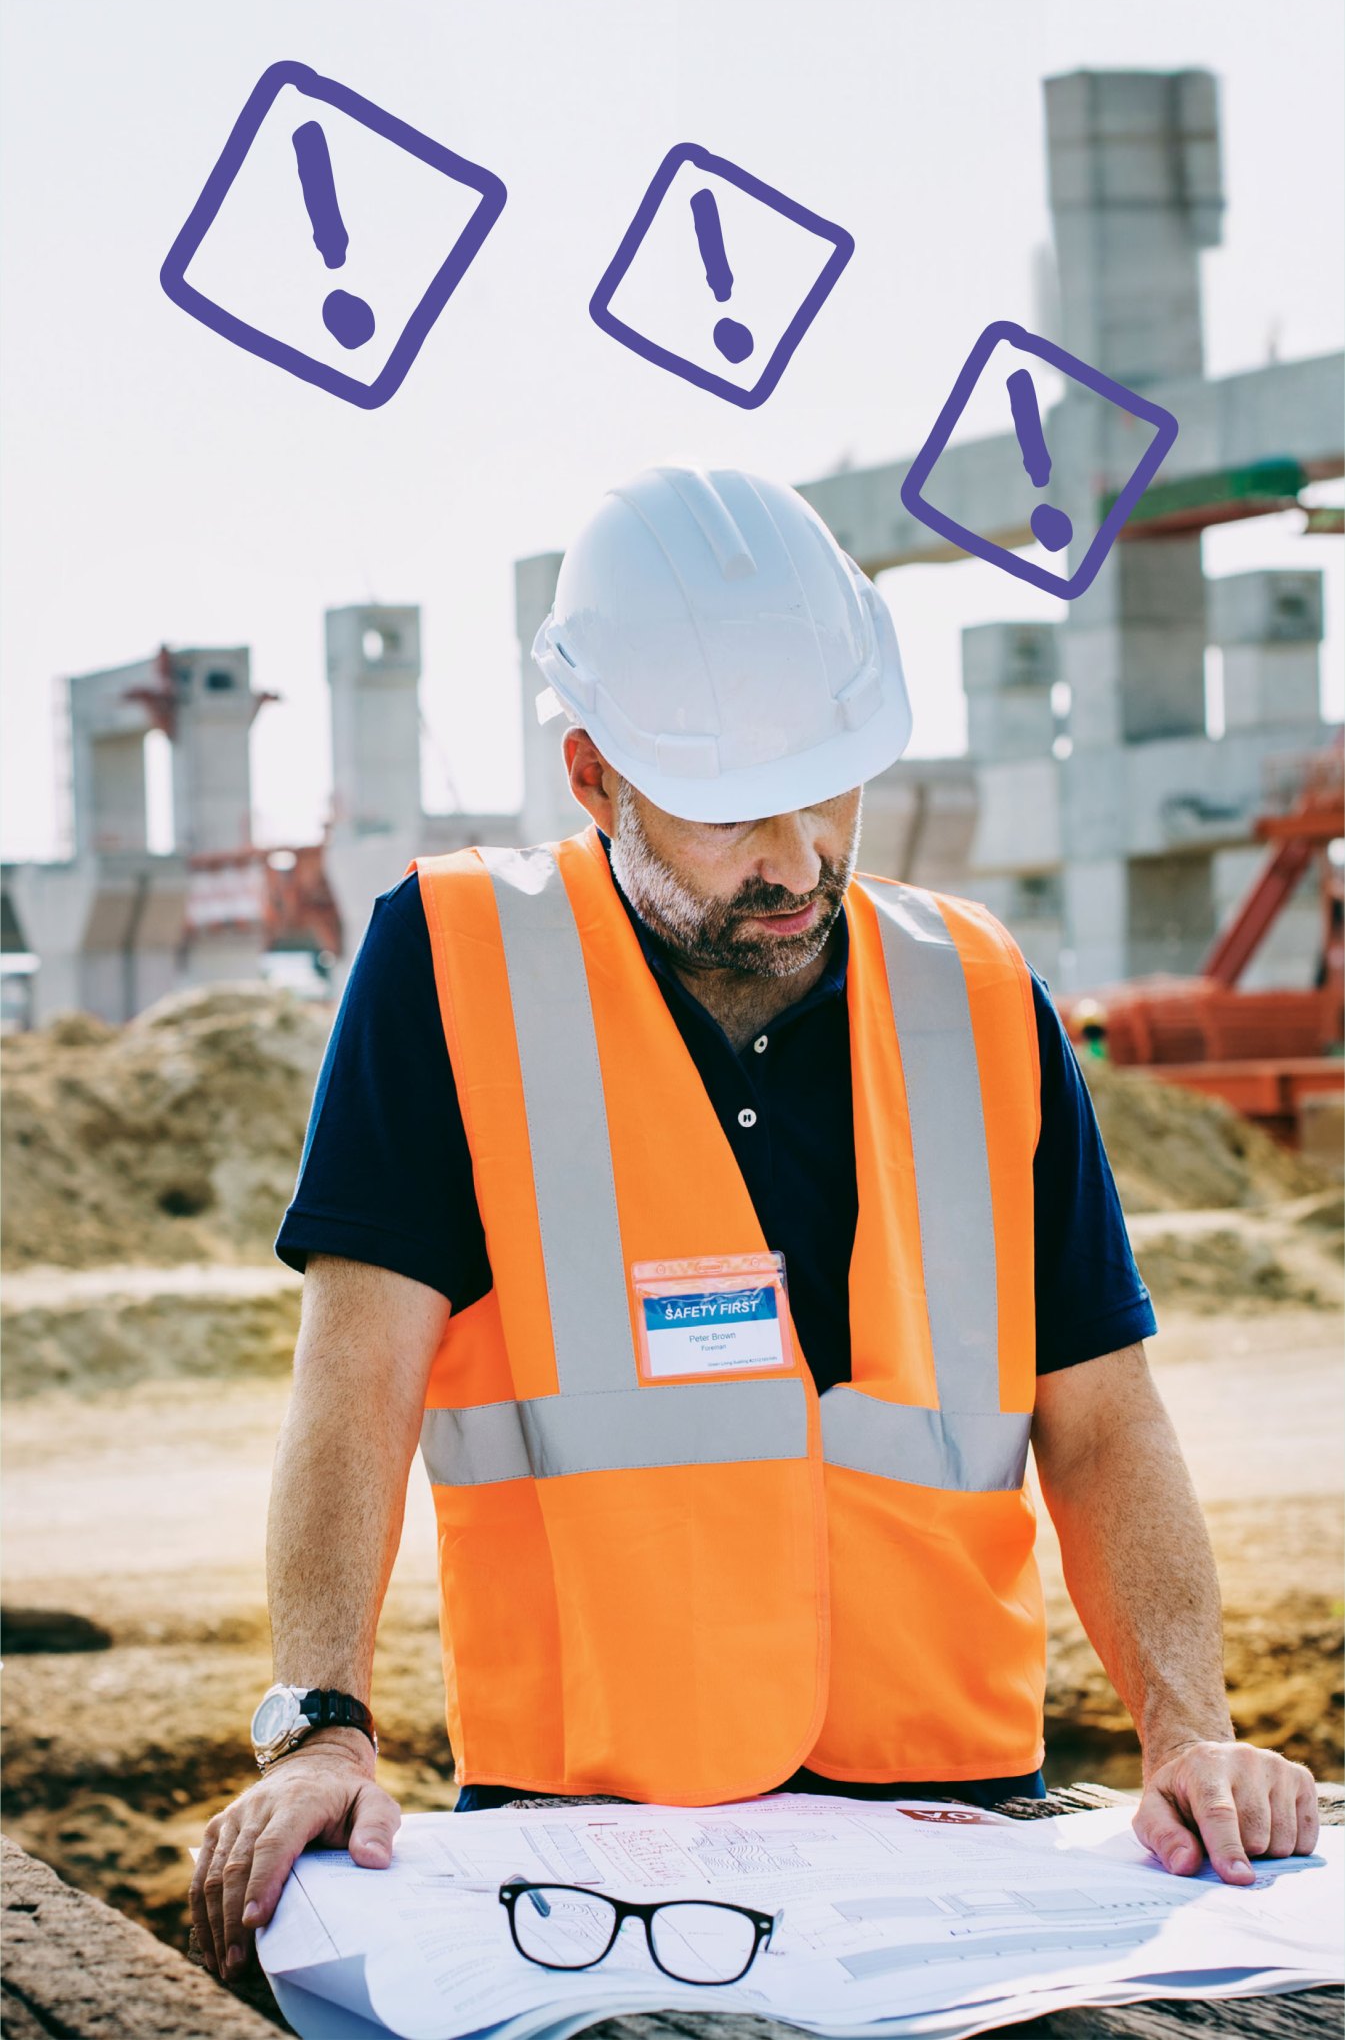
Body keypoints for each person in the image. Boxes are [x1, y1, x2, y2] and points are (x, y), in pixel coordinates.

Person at [190, 466, 1319, 1983]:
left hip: (952, 1831)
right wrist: (318, 1724)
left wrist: (1189, 1730)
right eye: (728, 812)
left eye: (828, 786)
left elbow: (1101, 1420)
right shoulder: (454, 963)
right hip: (591, 1852)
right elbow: (353, 1392)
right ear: (592, 775)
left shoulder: (980, 997)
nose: (793, 859)